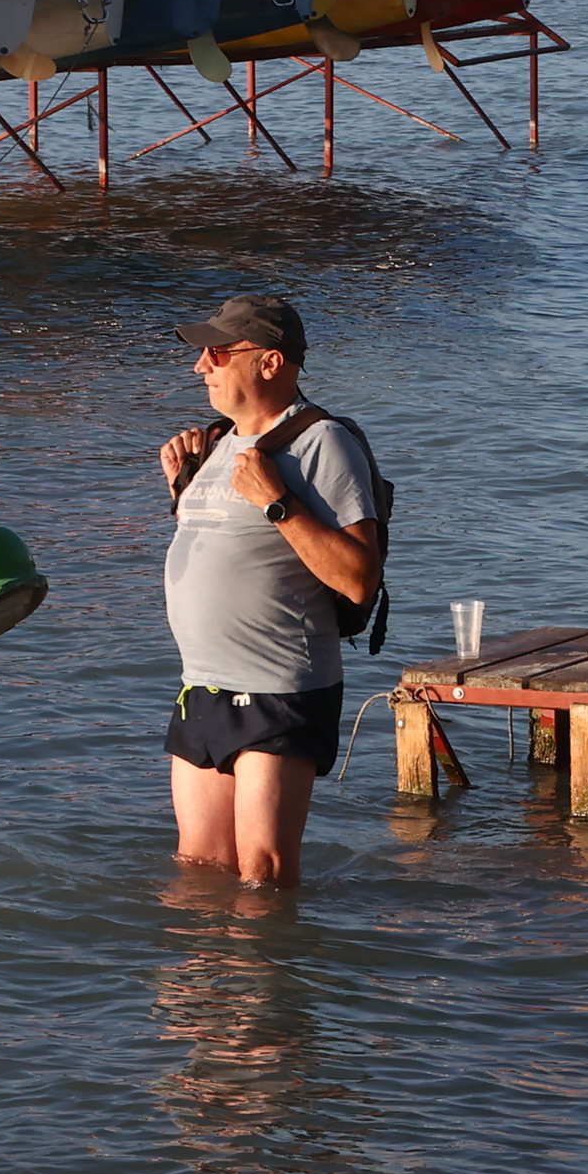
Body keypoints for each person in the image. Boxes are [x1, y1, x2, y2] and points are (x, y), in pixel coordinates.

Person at [156, 294, 385, 884]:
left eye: (216, 352)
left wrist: (277, 503)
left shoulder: (323, 443)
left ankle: (272, 978)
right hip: (201, 686)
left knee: (264, 875)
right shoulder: (213, 445)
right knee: (200, 871)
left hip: (280, 688)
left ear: (269, 363)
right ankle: (200, 980)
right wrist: (179, 492)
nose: (200, 365)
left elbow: (360, 579)